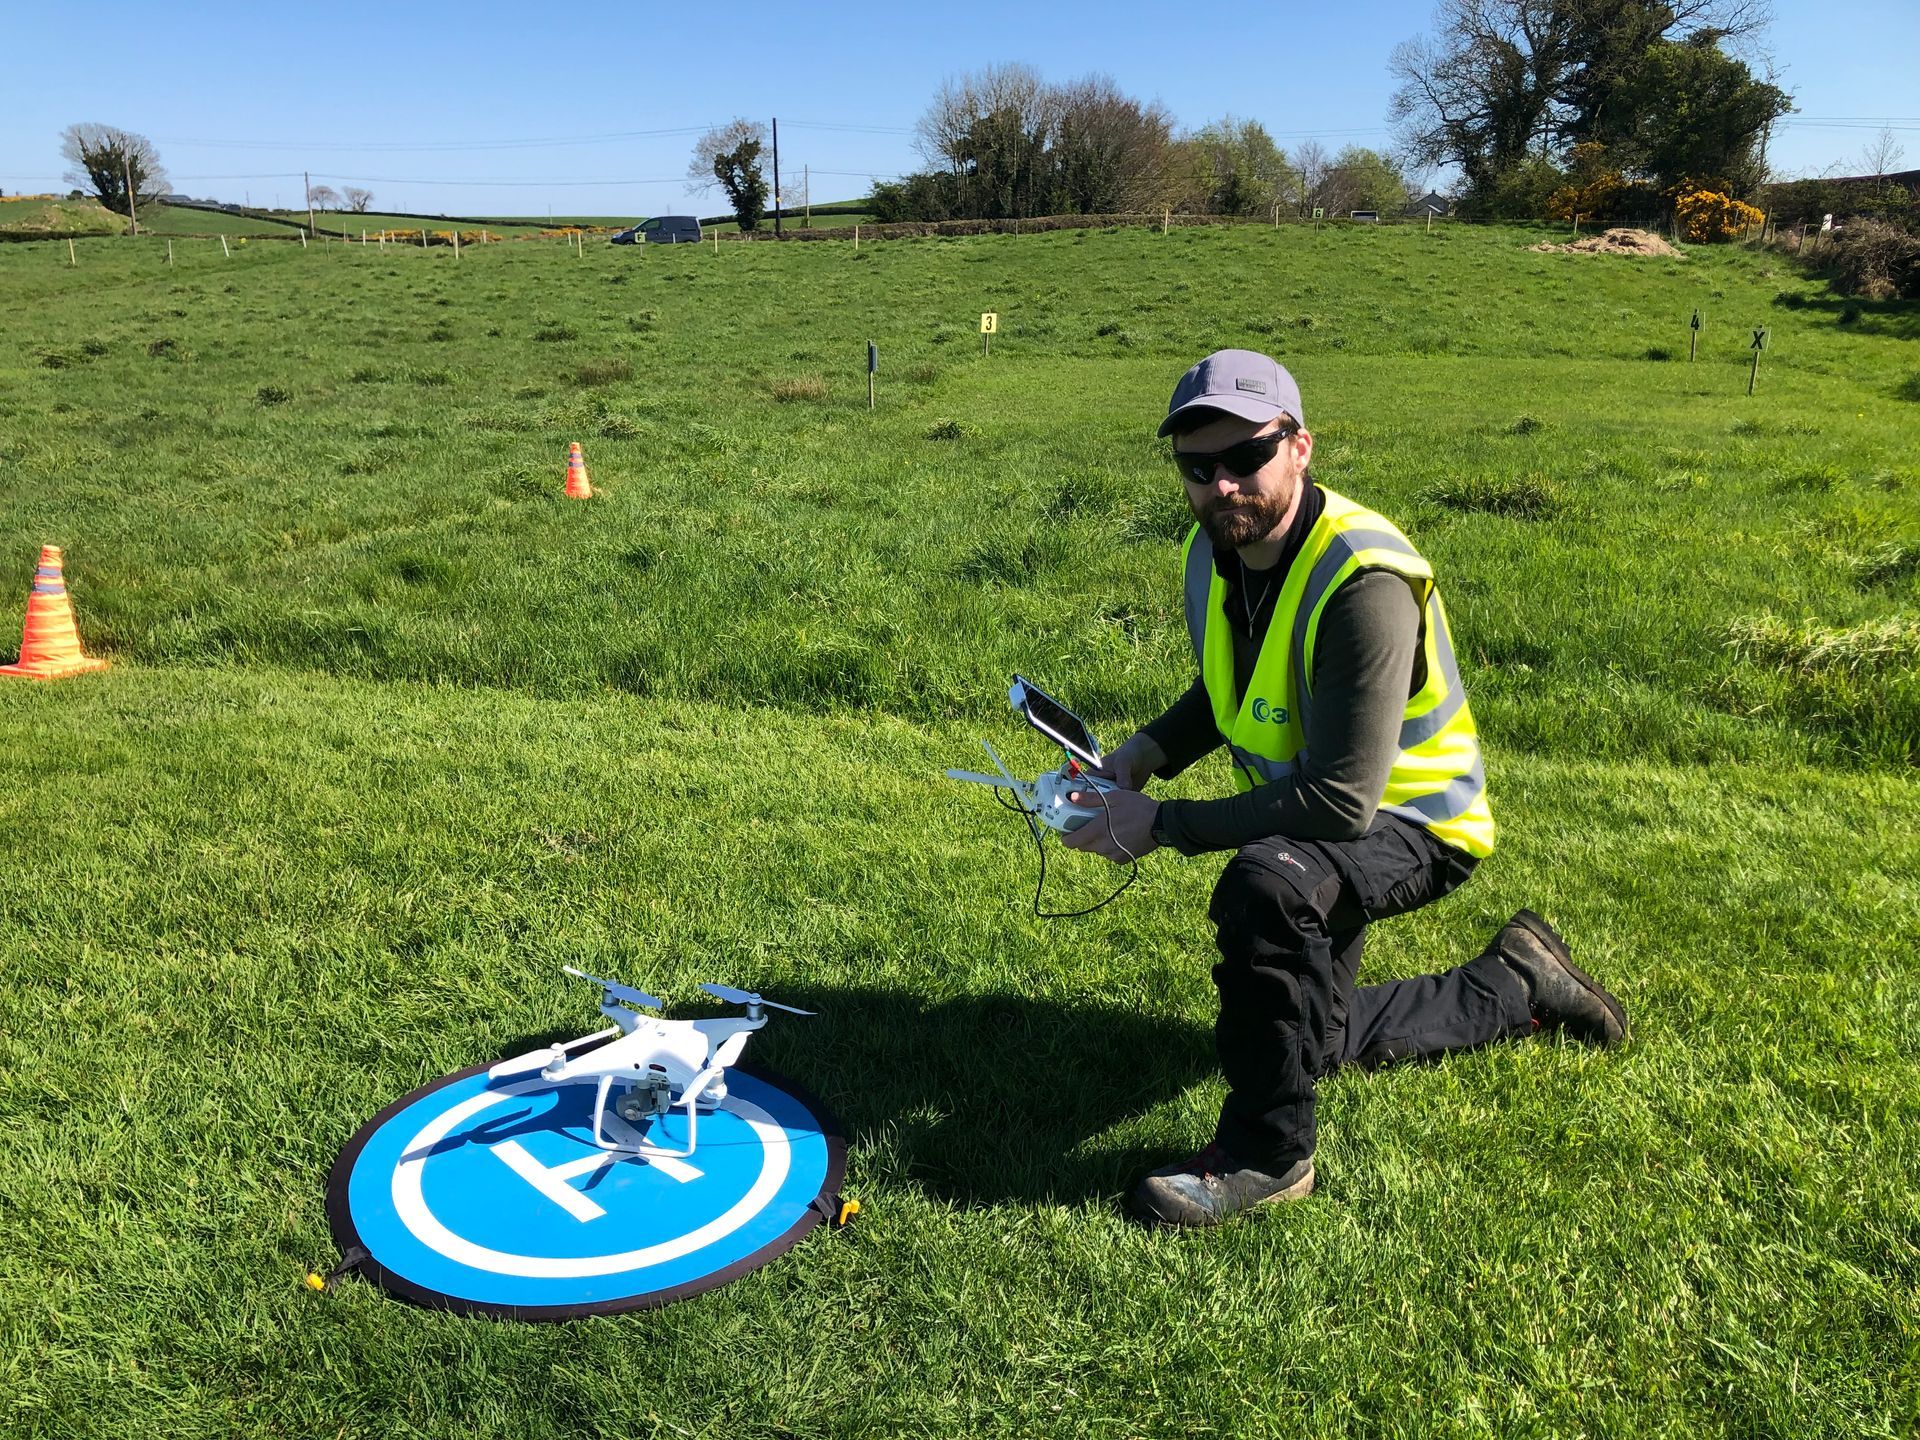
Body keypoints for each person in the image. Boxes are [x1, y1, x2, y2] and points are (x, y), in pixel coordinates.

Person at [1062, 349, 1628, 1228]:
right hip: (1320, 816)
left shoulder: (1362, 582)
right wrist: (1141, 756)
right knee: (1309, 1042)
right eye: (1198, 469)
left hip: (1413, 820)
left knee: (1265, 889)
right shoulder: (1214, 552)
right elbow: (1235, 688)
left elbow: (1339, 804)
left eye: (1246, 458)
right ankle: (1516, 985)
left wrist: (1161, 823)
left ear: (1300, 447)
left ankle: (1268, 1156)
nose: (1222, 487)